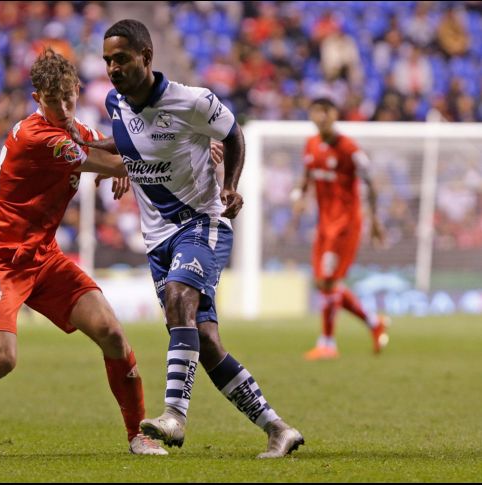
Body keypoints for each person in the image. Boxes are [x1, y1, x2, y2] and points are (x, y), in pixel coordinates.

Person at [0, 48, 166, 456]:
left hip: (44, 257)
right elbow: (113, 163)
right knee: (0, 361)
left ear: (77, 90)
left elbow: (113, 149)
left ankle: (137, 435)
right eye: (52, 100)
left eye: (68, 97)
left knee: (112, 332)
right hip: (1, 261)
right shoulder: (37, 136)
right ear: (37, 99)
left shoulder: (74, 128)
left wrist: (141, 152)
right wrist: (154, 160)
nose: (62, 107)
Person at [72, 19, 304, 459]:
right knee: (206, 343)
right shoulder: (114, 102)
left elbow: (232, 134)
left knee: (181, 297)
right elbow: (130, 143)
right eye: (107, 61)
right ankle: (277, 429)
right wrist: (117, 163)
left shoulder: (193, 101)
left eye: (120, 58)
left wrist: (231, 184)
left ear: (146, 55)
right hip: (157, 239)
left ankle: (174, 416)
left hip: (201, 221)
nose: (112, 68)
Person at [291, 97, 390, 360]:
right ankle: (373, 322)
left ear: (335, 114)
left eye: (326, 111)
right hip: (324, 224)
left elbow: (370, 182)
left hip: (345, 224)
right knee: (323, 283)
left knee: (329, 280)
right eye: (316, 111)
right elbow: (307, 174)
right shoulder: (311, 145)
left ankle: (327, 343)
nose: (321, 116)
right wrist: (300, 198)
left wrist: (376, 220)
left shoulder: (349, 148)